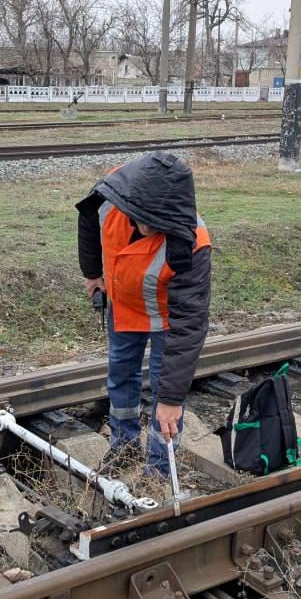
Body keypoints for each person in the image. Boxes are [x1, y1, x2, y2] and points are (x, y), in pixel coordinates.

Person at [75, 152, 213, 475]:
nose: (143, 226)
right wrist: (92, 272)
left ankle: (160, 469)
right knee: (121, 378)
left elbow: (190, 325)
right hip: (124, 308)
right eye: (140, 218)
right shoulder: (114, 196)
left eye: (152, 222)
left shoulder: (193, 244)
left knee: (165, 395)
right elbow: (86, 218)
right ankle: (122, 448)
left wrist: (170, 399)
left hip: (167, 318)